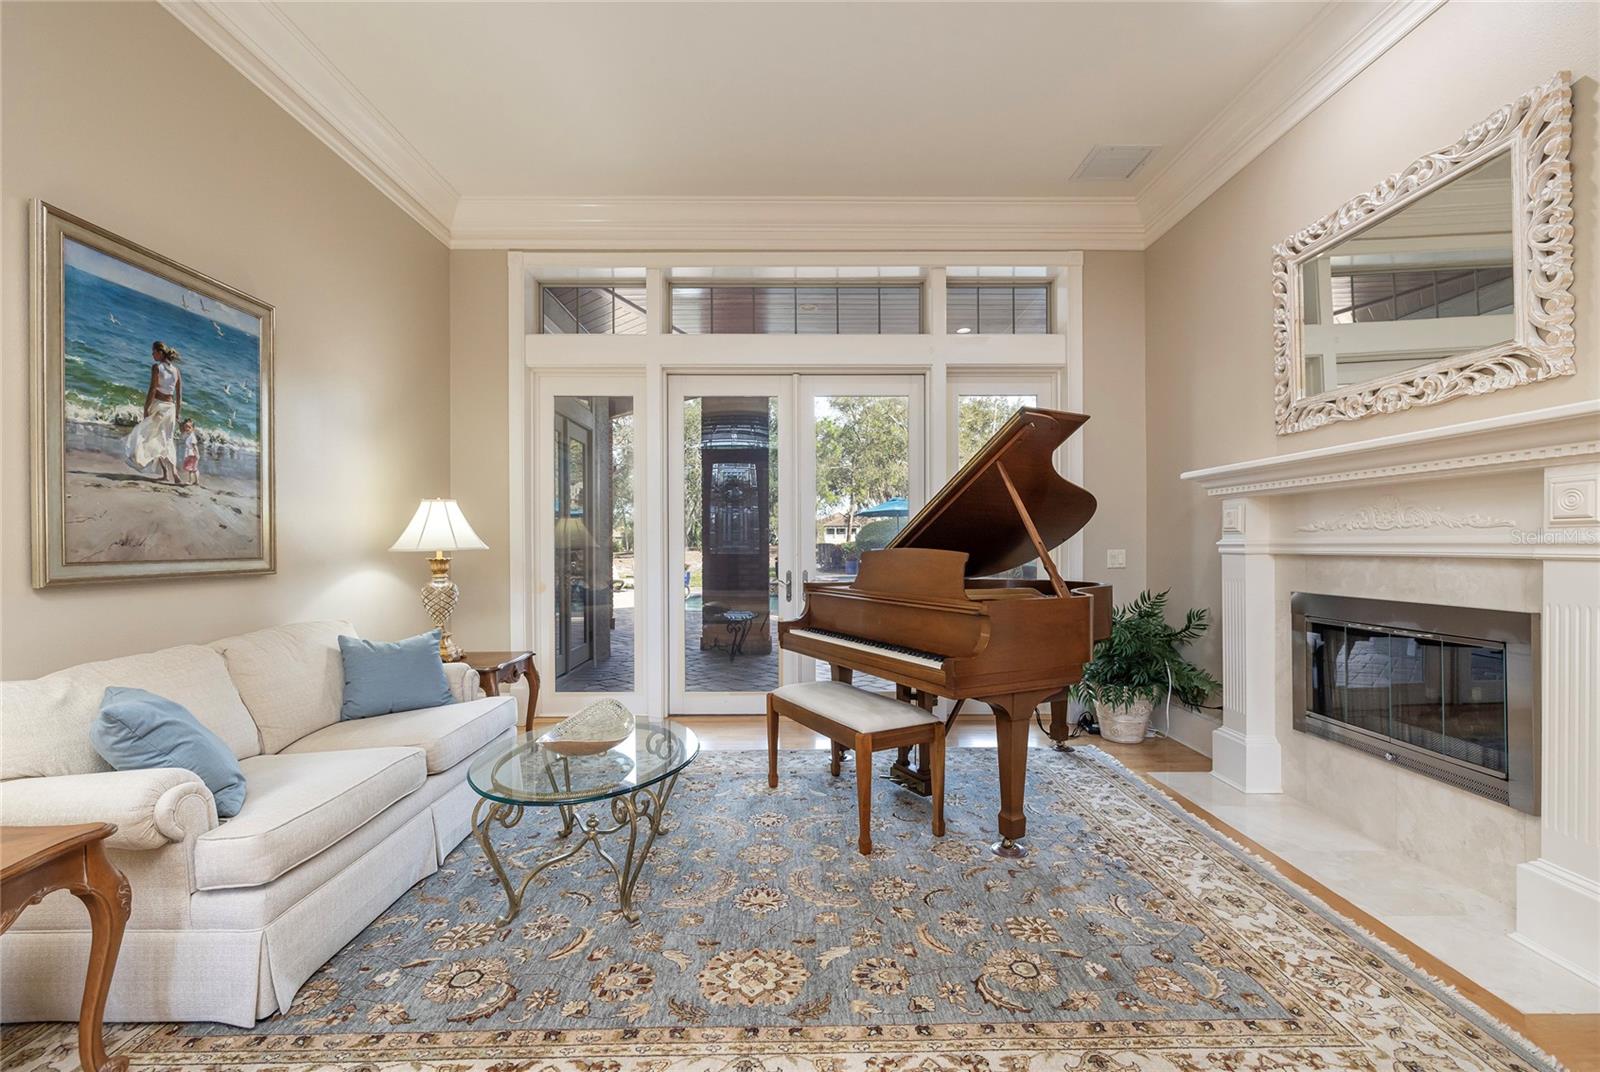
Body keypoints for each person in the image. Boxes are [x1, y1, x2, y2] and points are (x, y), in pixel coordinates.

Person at [124, 342, 183, 484]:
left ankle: (167, 473)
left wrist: (146, 407)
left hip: (159, 406)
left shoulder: (157, 367)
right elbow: (179, 395)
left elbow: (152, 389)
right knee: (166, 440)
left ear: (160, 353)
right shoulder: (176, 371)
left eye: (154, 352)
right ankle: (172, 473)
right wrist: (177, 412)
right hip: (170, 407)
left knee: (153, 438)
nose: (152, 355)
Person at [179, 419, 200, 486]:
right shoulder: (190, 435)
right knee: (194, 469)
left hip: (192, 455)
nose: (187, 428)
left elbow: (194, 446)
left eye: (189, 427)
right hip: (192, 454)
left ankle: (190, 481)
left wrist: (197, 454)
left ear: (193, 428)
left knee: (191, 469)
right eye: (186, 427)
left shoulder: (192, 436)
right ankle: (196, 481)